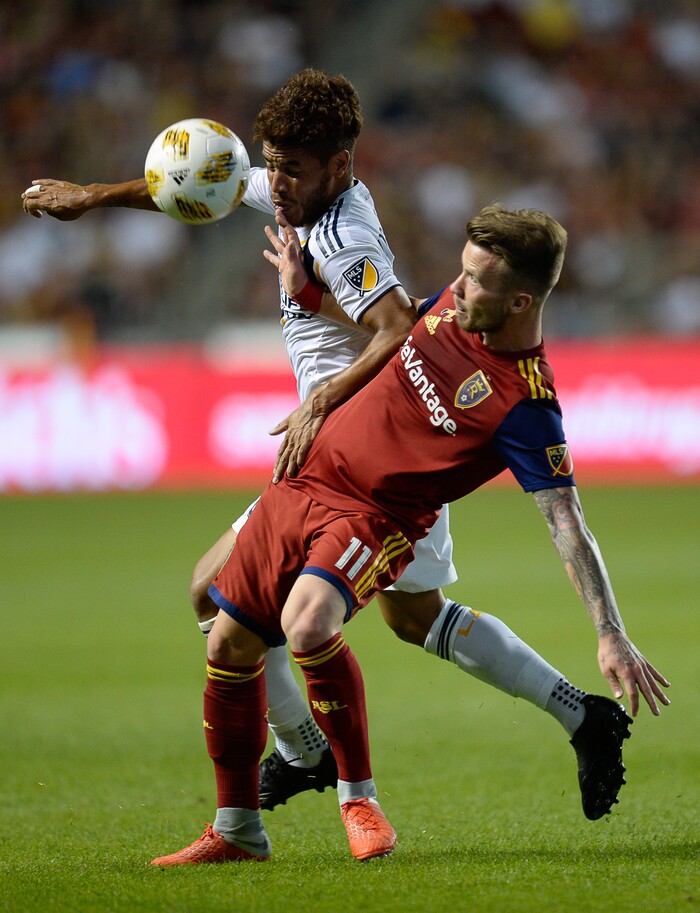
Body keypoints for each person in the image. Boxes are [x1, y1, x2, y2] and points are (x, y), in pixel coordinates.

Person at [22, 69, 639, 821]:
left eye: (289, 168)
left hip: (362, 458)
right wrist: (89, 196)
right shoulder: (297, 189)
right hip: (345, 450)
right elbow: (197, 182)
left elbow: (394, 325)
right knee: (412, 618)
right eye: (270, 163)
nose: (272, 183)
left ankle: (306, 752)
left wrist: (323, 392)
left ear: (338, 165)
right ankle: (579, 715)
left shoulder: (346, 233)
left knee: (220, 598)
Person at [146, 204, 669, 865]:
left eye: (477, 279)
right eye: (463, 271)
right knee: (228, 628)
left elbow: (567, 521)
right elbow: (401, 329)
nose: (459, 286)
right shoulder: (456, 301)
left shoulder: (526, 404)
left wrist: (609, 629)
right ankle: (240, 827)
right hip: (307, 473)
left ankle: (353, 793)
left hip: (374, 513)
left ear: (520, 301)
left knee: (311, 625)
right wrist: (308, 294)